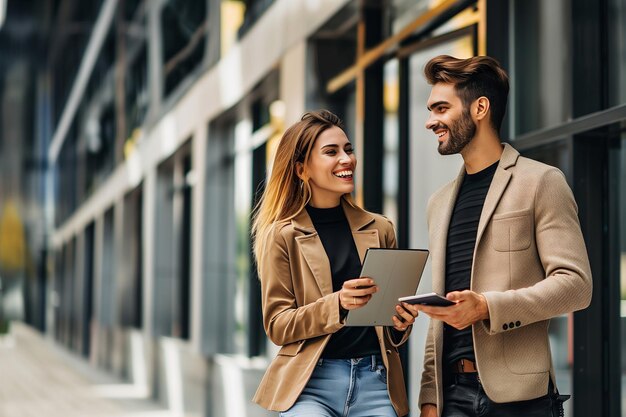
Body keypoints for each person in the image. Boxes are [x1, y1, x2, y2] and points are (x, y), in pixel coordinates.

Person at [415, 55, 592, 417]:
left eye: (441, 108)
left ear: (480, 108)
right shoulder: (439, 202)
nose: (430, 121)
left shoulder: (541, 182)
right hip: (452, 396)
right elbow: (441, 317)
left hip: (522, 400)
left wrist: (487, 307)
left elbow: (576, 284)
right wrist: (429, 396)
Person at [251, 110, 419, 417]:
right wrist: (338, 304)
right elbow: (277, 325)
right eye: (331, 152)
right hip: (310, 384)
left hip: (375, 381)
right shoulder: (282, 235)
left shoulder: (380, 228)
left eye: (348, 149)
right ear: (302, 169)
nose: (347, 159)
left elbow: (386, 328)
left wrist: (400, 323)